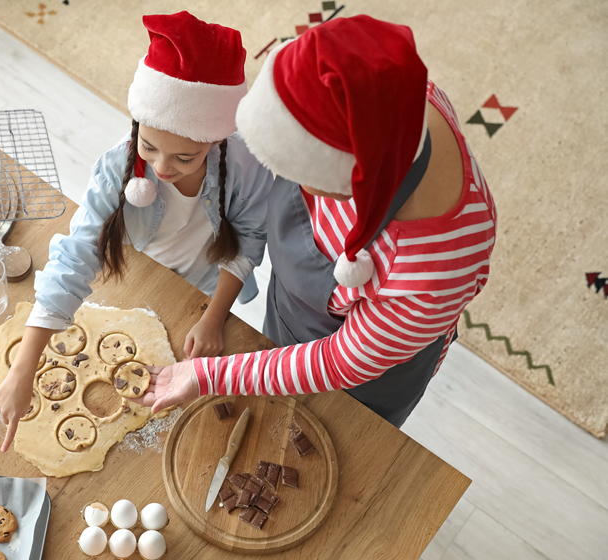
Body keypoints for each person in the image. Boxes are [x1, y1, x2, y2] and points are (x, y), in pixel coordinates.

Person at [138, 15, 497, 427]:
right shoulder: (384, 89)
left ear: (351, 189)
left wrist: (209, 375)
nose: (292, 188)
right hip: (294, 312)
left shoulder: (433, 273)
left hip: (357, 380)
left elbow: (339, 361)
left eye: (303, 180)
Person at [0, 11, 275, 451]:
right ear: (136, 126)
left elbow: (251, 238)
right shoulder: (114, 168)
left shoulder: (245, 167)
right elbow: (77, 255)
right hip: (141, 271)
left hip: (204, 285)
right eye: (149, 147)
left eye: (185, 158)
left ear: (216, 142)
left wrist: (214, 316)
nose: (162, 168)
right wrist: (25, 366)